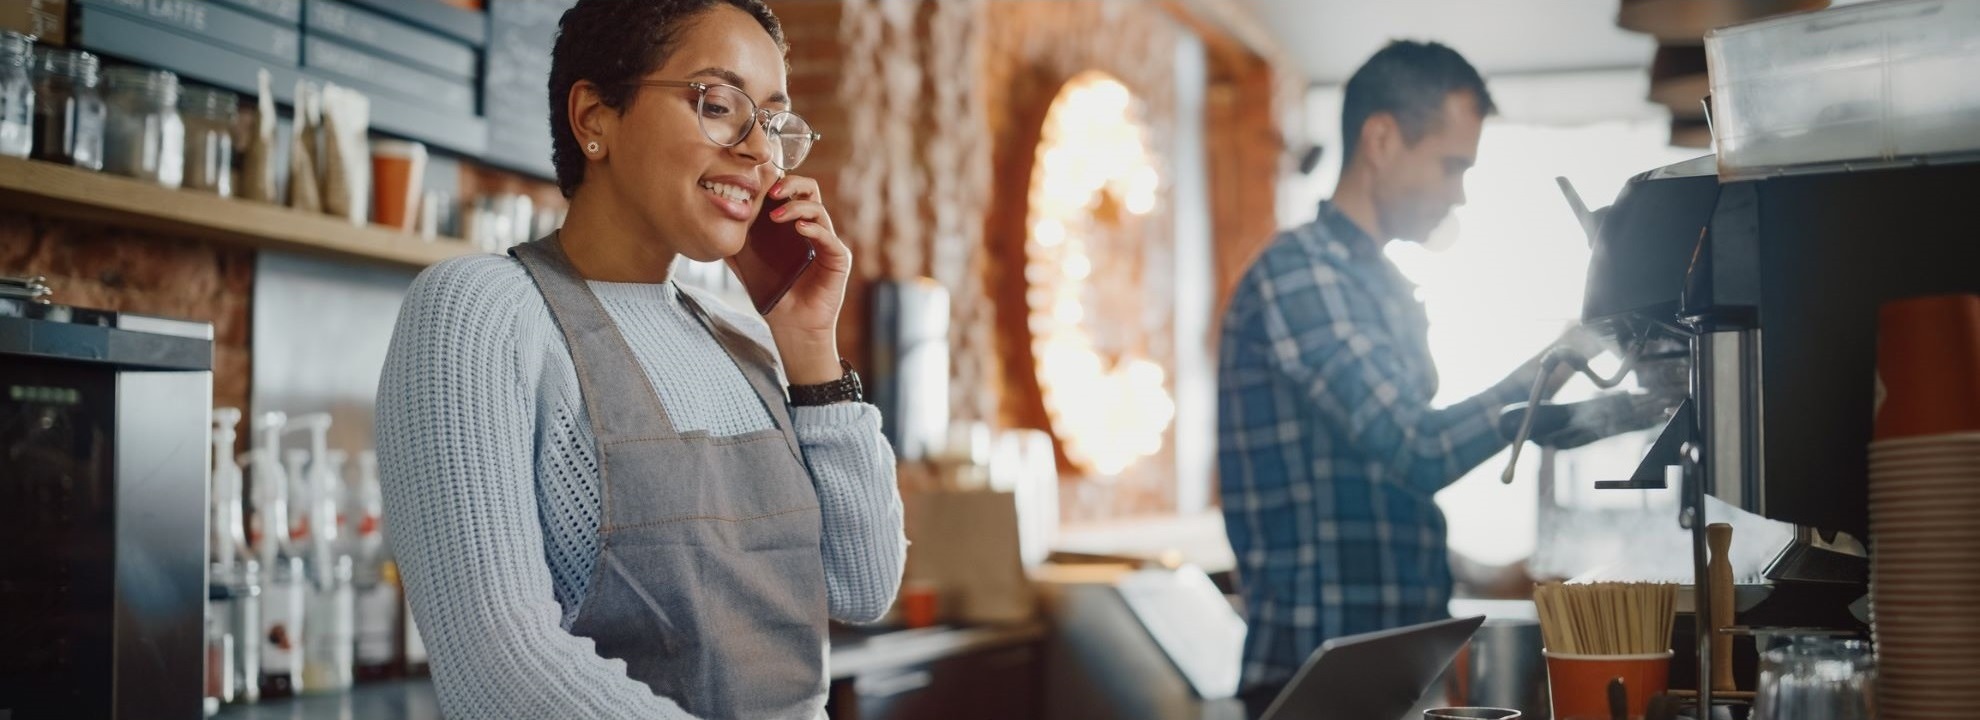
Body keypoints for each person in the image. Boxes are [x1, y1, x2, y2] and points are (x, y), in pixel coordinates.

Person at [375, 2, 905, 718]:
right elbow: (499, 667)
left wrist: (810, 346)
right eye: (719, 104)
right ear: (595, 117)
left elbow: (864, 587)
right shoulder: (481, 311)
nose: (759, 151)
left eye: (775, 123)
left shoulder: (743, 342)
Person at [1216, 40, 1585, 713]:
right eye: (1450, 166)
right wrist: (1556, 361)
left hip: (1387, 672)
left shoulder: (1379, 286)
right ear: (1381, 139)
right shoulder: (1301, 273)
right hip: (1315, 684)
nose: (1458, 193)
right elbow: (1416, 450)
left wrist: (1479, 571)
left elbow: (1378, 498)